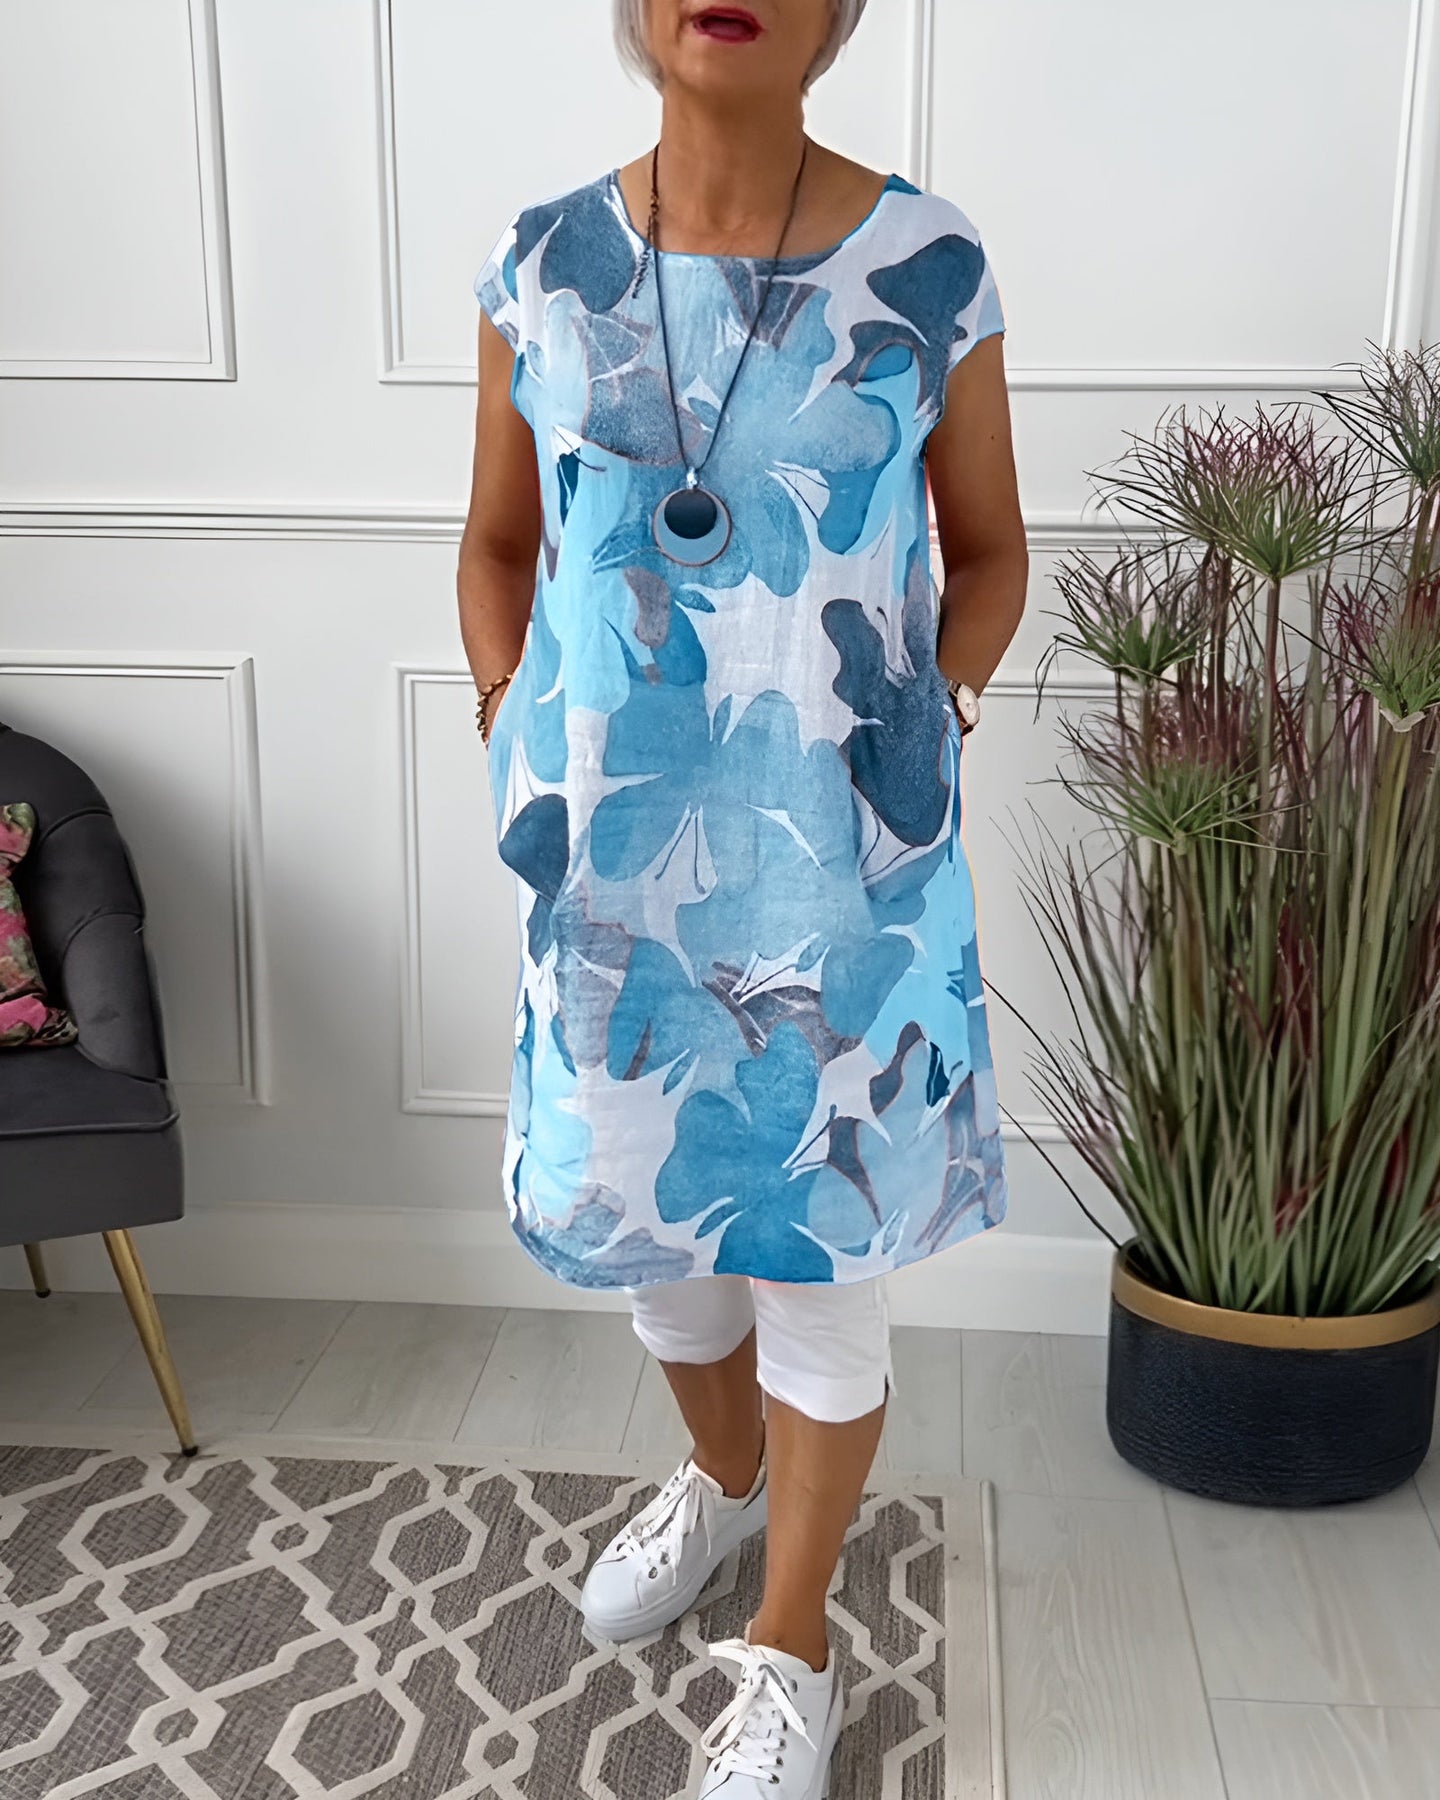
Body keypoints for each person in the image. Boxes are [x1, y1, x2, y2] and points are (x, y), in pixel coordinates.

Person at [457, 2, 1027, 1791]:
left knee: (813, 1254)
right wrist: (510, 719)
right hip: (613, 863)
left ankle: (793, 1642)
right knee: (654, 1239)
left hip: (839, 864)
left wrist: (932, 716)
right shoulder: (544, 264)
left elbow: (991, 549)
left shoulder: (930, 266)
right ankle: (720, 1479)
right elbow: (496, 544)